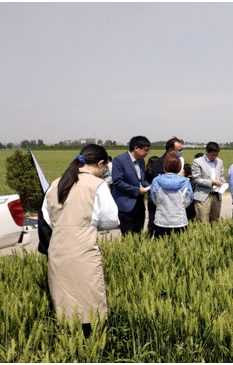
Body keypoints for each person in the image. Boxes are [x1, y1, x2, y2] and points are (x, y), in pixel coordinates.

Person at [41, 144, 119, 339]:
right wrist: (90, 224)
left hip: (57, 251)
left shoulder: (56, 184)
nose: (105, 172)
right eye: (105, 167)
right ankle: (92, 349)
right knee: (91, 306)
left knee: (65, 306)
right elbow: (111, 219)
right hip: (83, 251)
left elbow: (47, 218)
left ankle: (69, 348)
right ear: (100, 164)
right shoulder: (96, 185)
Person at [111, 136, 151, 235]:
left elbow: (143, 180)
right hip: (125, 204)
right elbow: (117, 181)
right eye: (145, 150)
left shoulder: (141, 161)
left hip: (139, 204)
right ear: (136, 148)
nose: (147, 153)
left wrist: (152, 186)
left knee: (138, 235)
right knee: (128, 237)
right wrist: (136, 190)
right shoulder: (119, 160)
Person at [149, 154, 194, 237]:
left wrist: (160, 205)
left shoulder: (156, 180)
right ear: (179, 167)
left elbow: (154, 198)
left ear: (164, 166)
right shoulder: (185, 181)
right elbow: (189, 199)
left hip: (161, 220)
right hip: (180, 220)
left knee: (161, 247)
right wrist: (181, 206)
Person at [148, 137, 184, 237]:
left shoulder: (180, 160)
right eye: (179, 150)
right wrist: (178, 177)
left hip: (175, 205)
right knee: (161, 233)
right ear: (170, 150)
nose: (181, 152)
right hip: (163, 204)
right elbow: (159, 184)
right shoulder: (160, 163)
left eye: (181, 149)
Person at [191, 142, 226, 223]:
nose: (215, 157)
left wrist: (222, 180)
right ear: (207, 151)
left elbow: (221, 175)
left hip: (216, 195)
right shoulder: (197, 162)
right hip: (203, 196)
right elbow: (196, 179)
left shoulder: (219, 162)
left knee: (215, 221)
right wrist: (212, 182)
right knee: (202, 222)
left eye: (216, 155)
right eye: (213, 155)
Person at [144, 156, 160, 237]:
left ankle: (148, 236)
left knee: (151, 218)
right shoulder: (158, 173)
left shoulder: (146, 172)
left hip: (150, 196)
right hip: (159, 196)